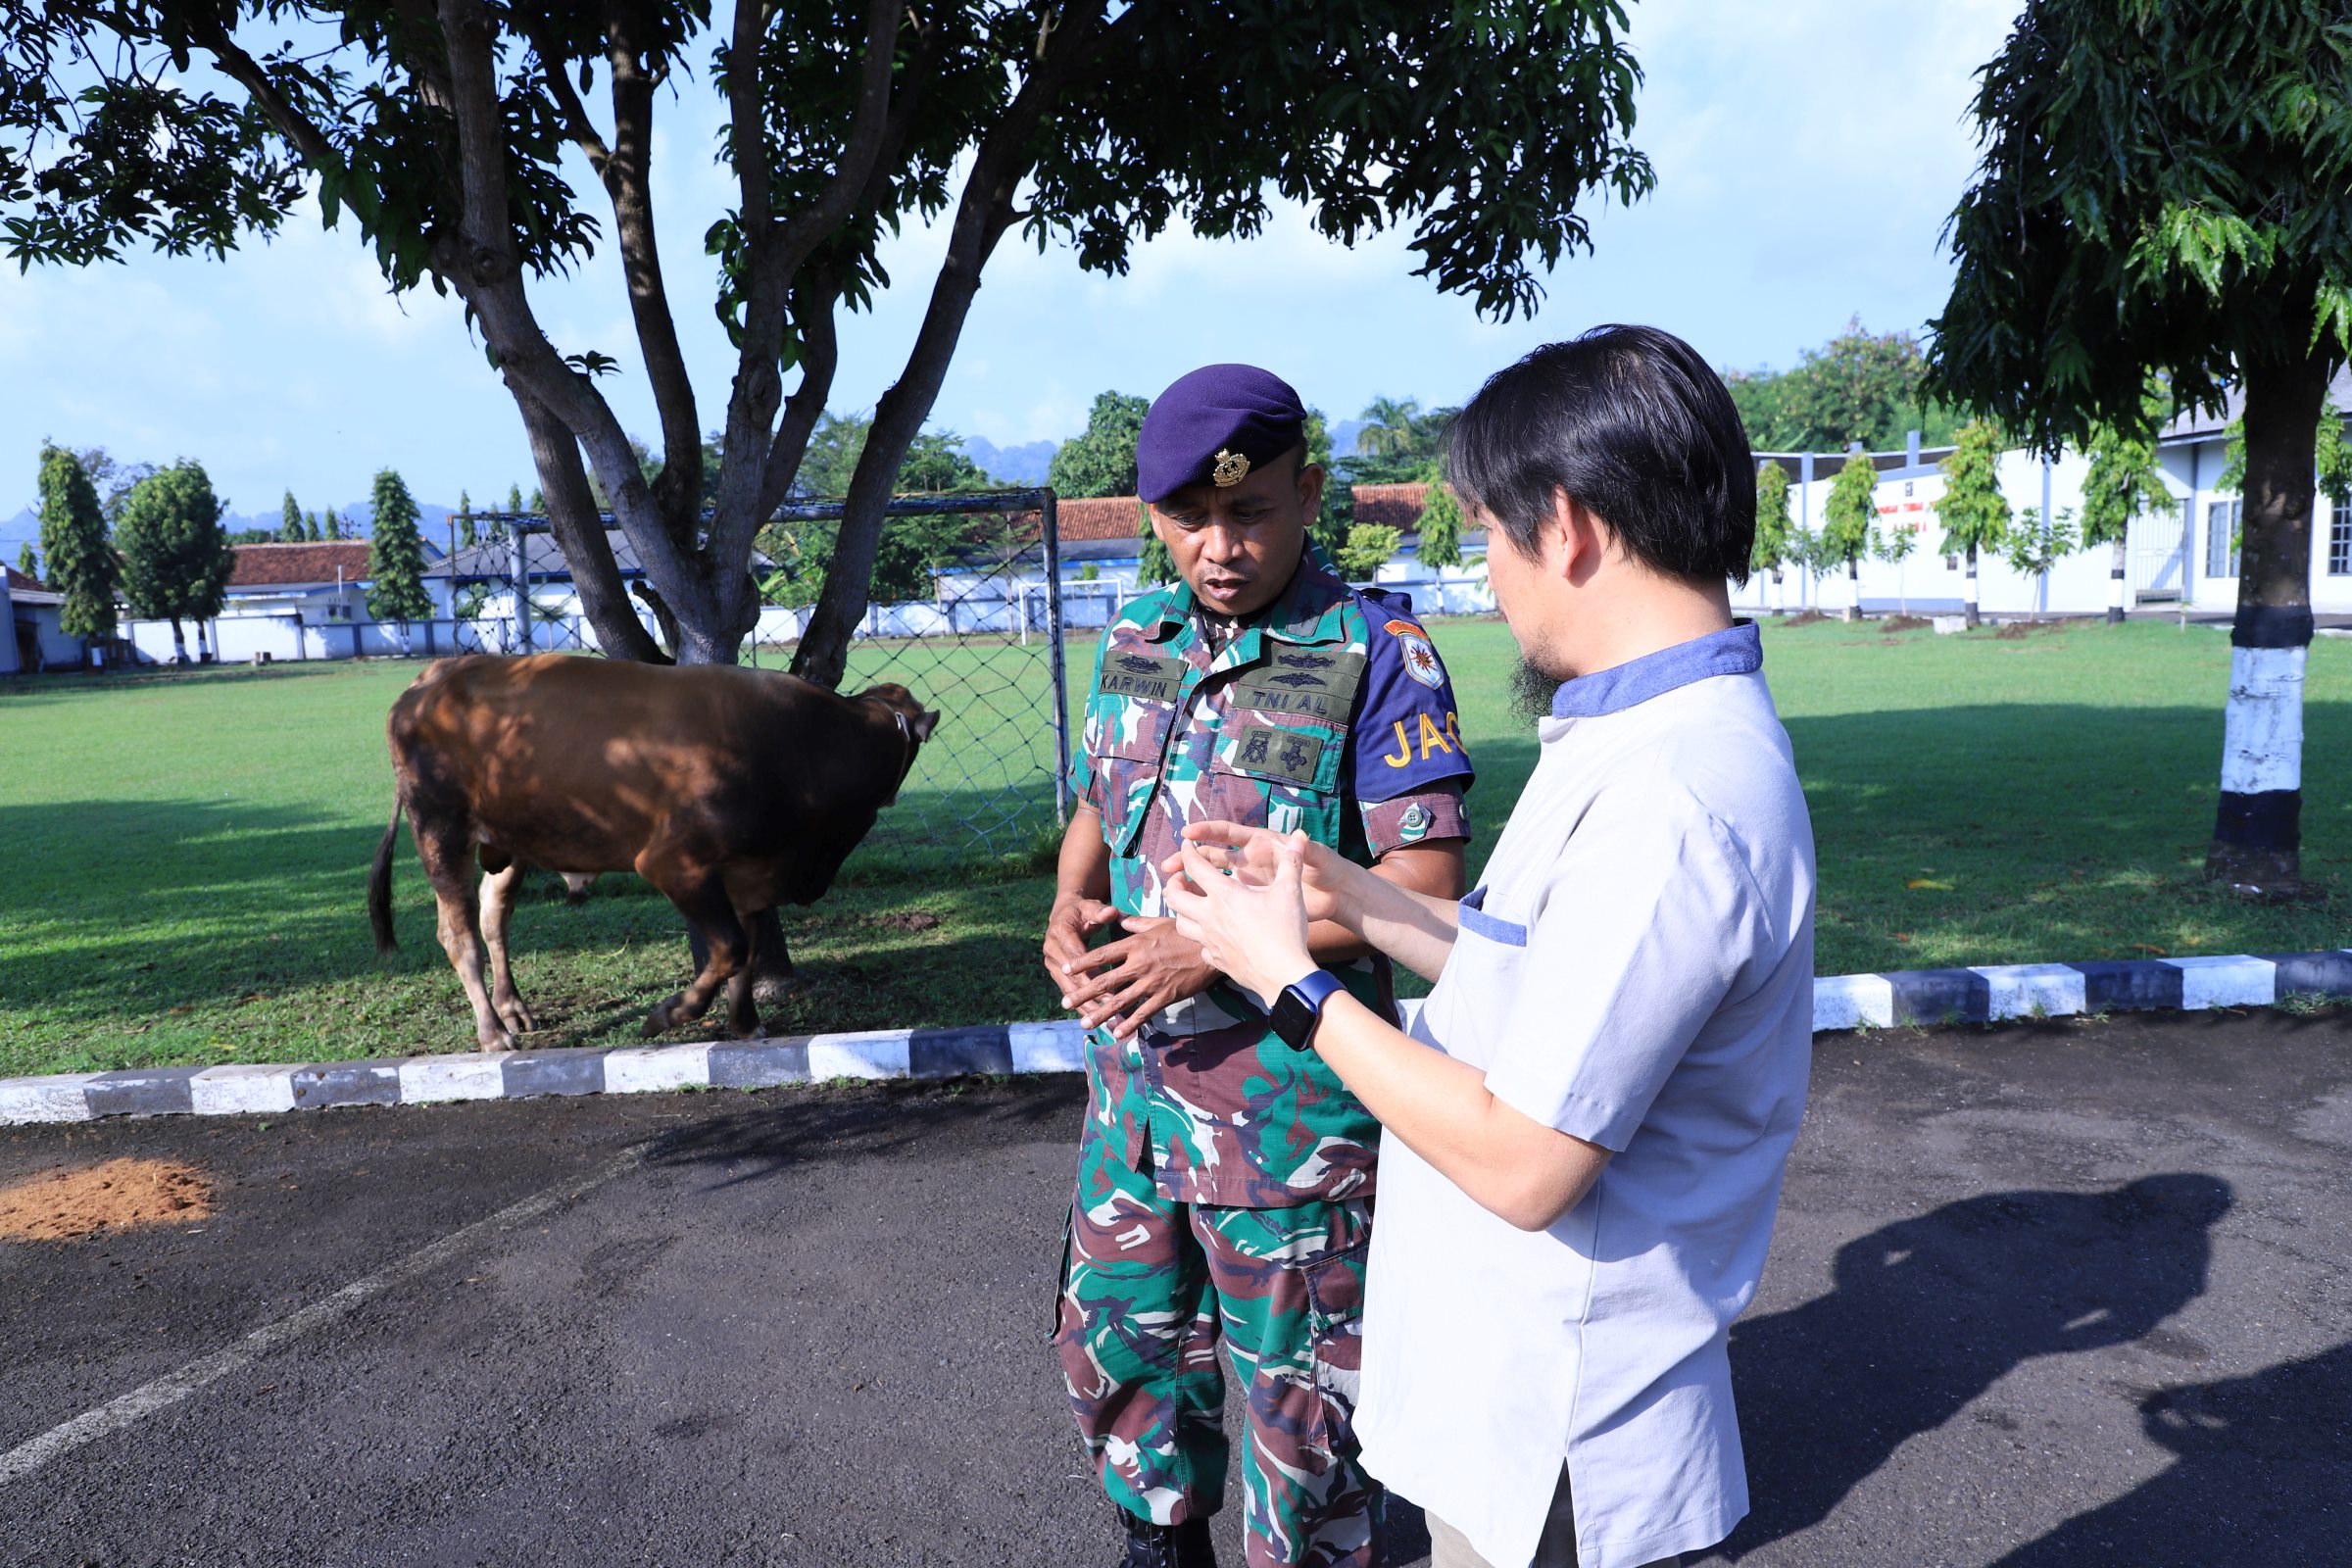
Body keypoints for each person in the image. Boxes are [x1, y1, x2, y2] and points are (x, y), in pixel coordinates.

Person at [1161, 325, 1817, 1568]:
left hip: (1563, 1440)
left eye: (1491, 537)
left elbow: (1524, 1162)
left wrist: (1289, 979)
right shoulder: (1642, 739)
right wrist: (1350, 893)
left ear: (1562, 526)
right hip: (1518, 1399)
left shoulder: (1673, 797)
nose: (1493, 579)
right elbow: (1540, 973)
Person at [1043, 363, 1477, 1568]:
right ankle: (1160, 1540)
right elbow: (1099, 802)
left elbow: (1425, 889)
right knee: (1120, 1349)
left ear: (1310, 493)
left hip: (1290, 1119)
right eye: (1189, 518)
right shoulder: (1137, 633)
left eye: (1251, 512)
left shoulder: (1376, 651)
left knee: (1305, 1412)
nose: (1219, 547)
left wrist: (1211, 946)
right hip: (1132, 1101)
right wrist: (1070, 900)